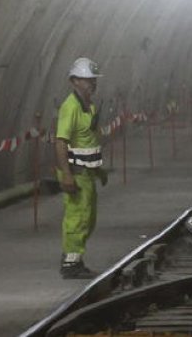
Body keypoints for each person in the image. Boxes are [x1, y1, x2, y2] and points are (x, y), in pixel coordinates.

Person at [55, 57, 107, 279]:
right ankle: (70, 262)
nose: (91, 84)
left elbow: (90, 141)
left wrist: (98, 169)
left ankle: (75, 257)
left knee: (89, 217)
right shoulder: (71, 107)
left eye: (93, 80)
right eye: (86, 80)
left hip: (87, 172)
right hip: (75, 173)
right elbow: (60, 141)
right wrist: (66, 174)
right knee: (77, 217)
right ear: (74, 81)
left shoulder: (89, 106)